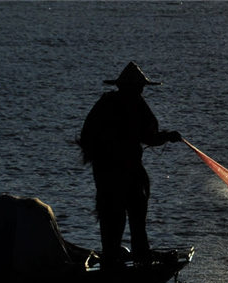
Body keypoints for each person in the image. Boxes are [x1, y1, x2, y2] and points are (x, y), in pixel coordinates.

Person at [78, 62, 182, 269]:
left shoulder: (105, 103)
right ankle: (140, 258)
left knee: (111, 217)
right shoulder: (136, 104)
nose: (141, 90)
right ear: (135, 87)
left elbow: (86, 135)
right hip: (128, 172)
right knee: (135, 214)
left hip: (105, 173)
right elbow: (150, 136)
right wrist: (168, 137)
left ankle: (111, 259)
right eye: (140, 87)